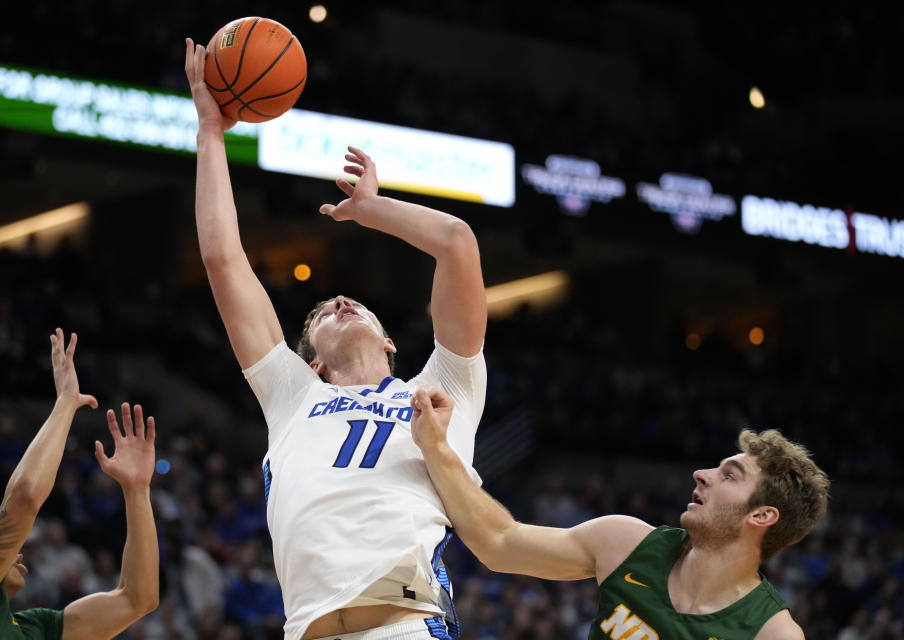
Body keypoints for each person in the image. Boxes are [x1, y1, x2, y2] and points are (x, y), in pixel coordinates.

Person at [185, 38, 487, 640]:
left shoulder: (444, 387)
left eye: (354, 305)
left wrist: (372, 210)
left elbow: (456, 242)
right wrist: (211, 132)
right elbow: (222, 258)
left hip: (407, 627)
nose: (342, 302)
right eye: (324, 311)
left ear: (392, 343)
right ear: (313, 363)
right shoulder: (293, 396)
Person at [410, 387, 830, 640]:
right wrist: (436, 448)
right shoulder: (627, 542)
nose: (702, 475)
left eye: (729, 476)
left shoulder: (771, 632)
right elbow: (499, 543)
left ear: (762, 517)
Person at [0, 329, 159, 639]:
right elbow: (26, 496)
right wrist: (66, 403)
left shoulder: (36, 627)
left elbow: (136, 599)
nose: (20, 553)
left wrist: (137, 490)